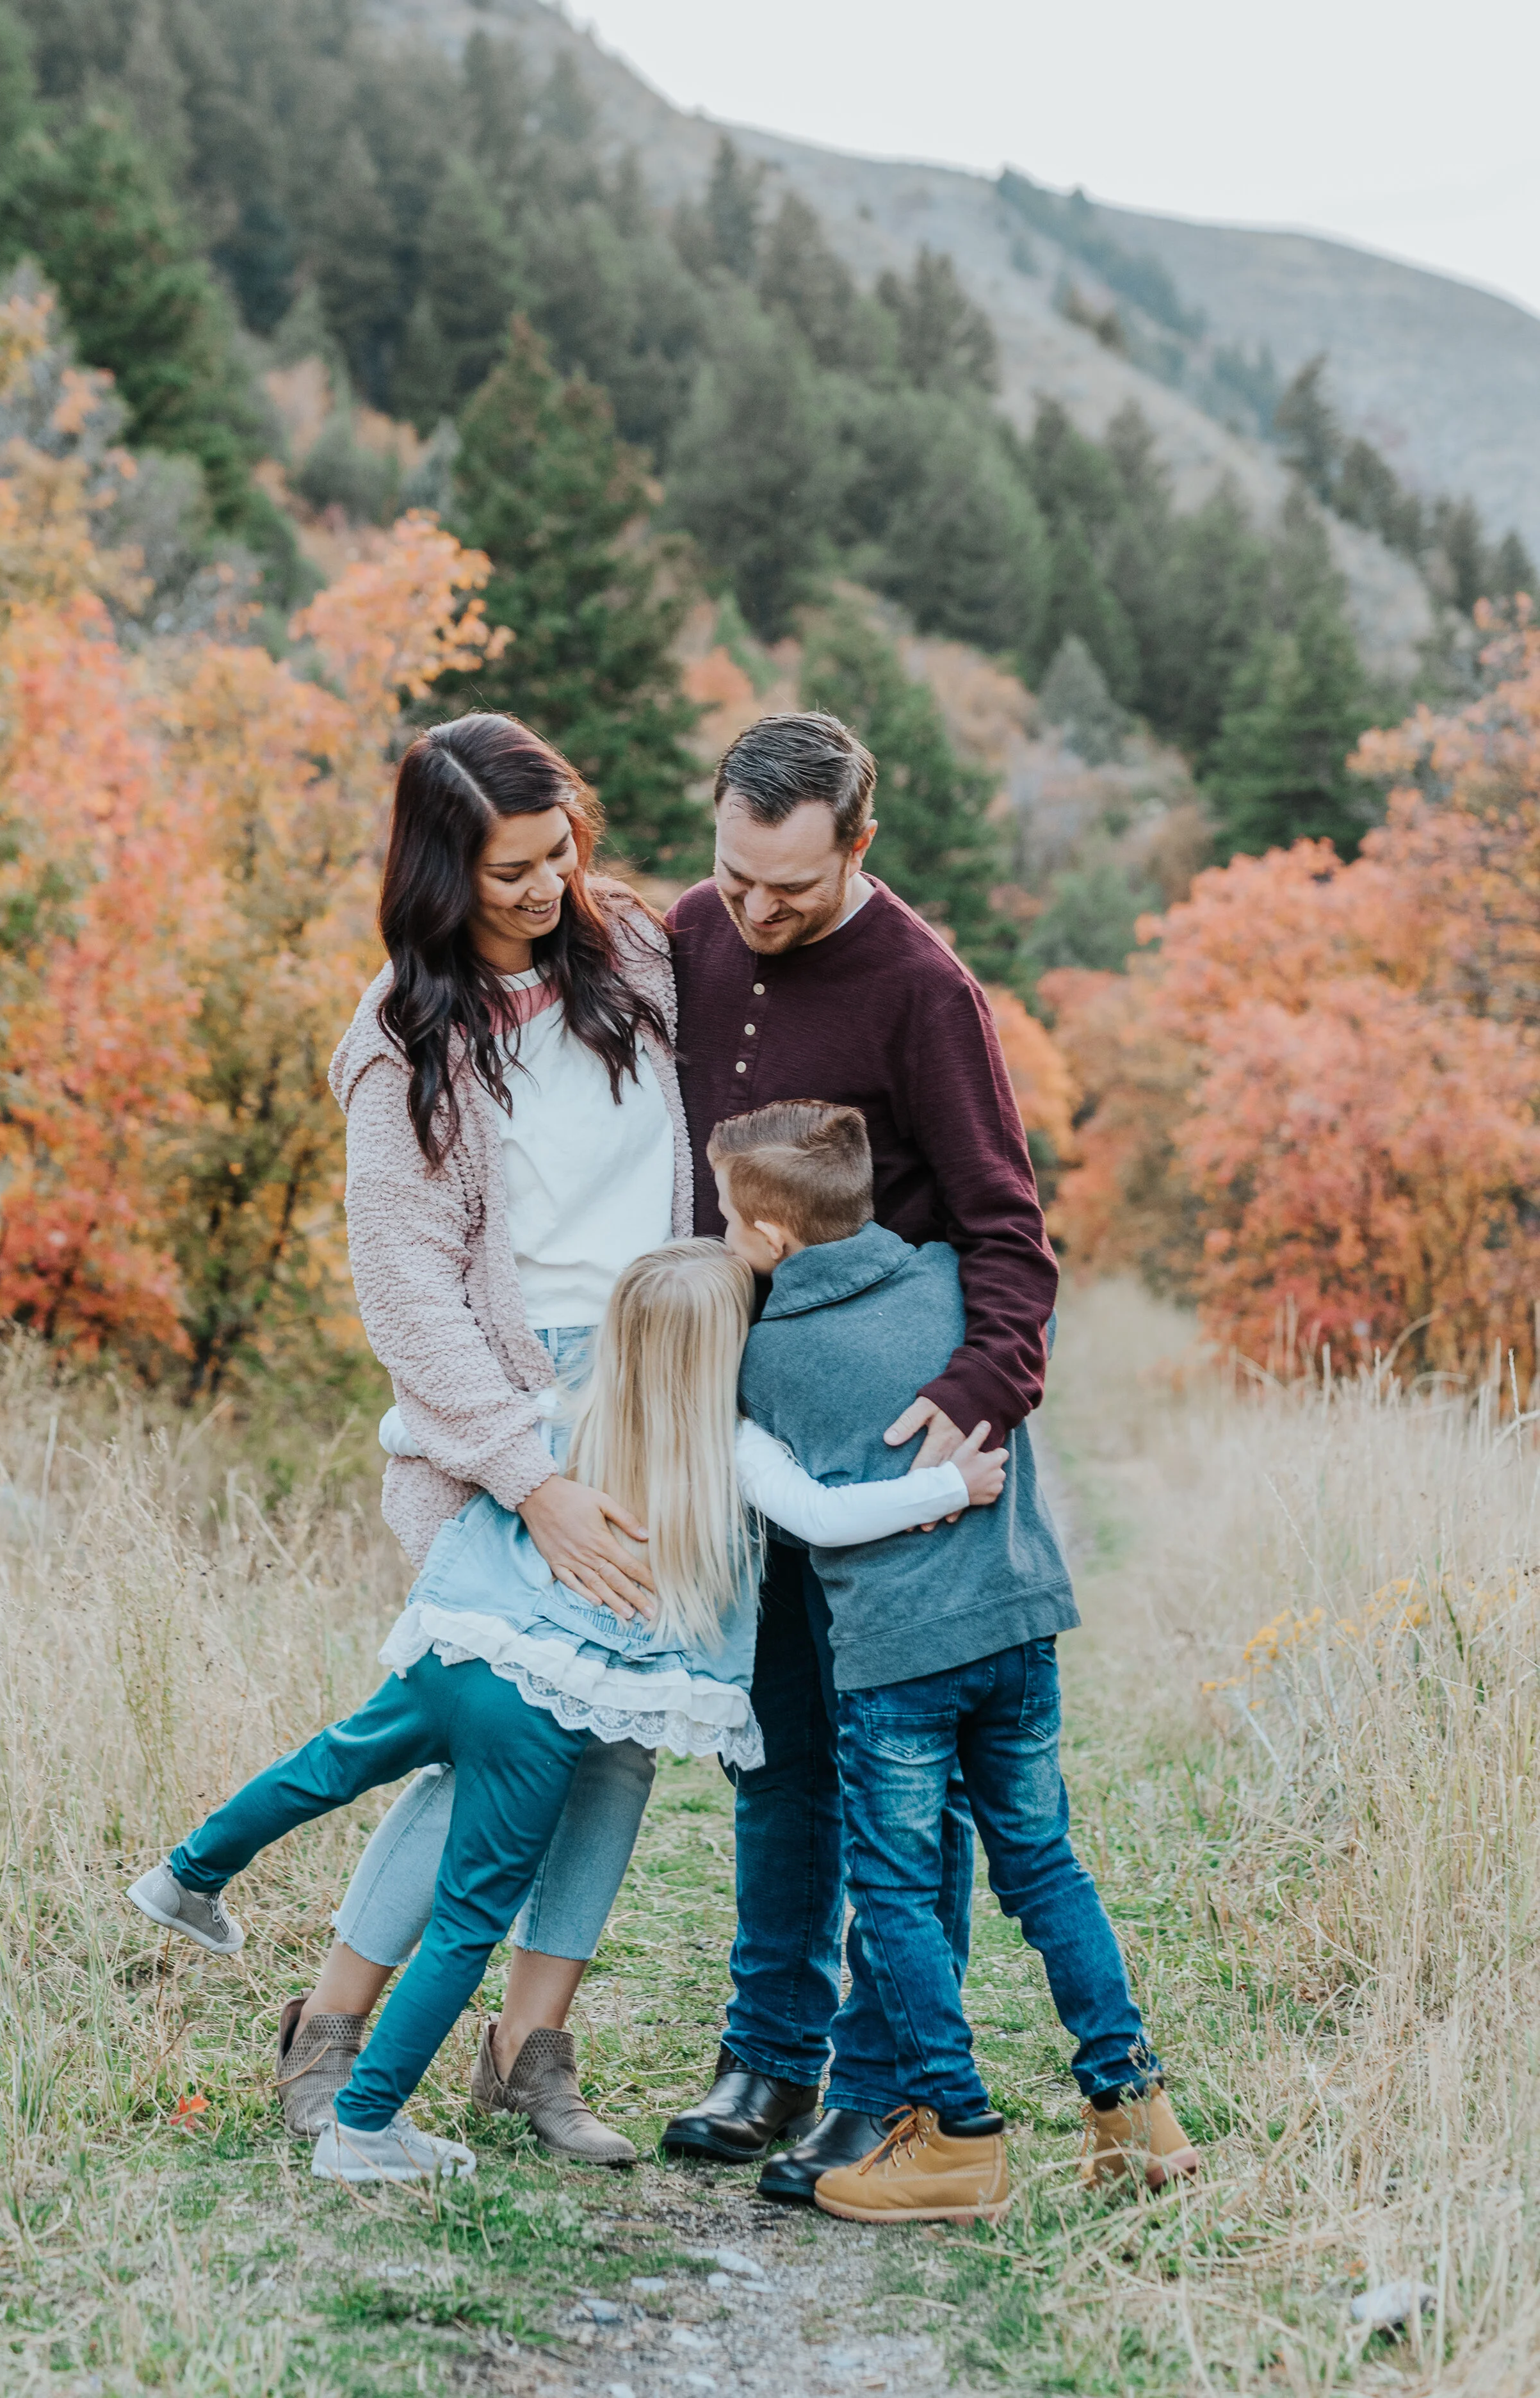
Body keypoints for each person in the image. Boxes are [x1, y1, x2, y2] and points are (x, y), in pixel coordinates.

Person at [126, 1240, 1008, 2183]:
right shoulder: (734, 1448)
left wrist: (411, 1441)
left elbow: (410, 1430)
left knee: (329, 1766)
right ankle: (365, 2126)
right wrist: (952, 1485)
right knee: (468, 1921)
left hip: (453, 1649)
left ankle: (186, 1877)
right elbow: (828, 1517)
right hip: (536, 1712)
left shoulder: (558, 1409)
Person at [270, 709, 687, 2167]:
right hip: (498, 1419)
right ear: (442, 873)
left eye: (557, 852)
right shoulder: (403, 1040)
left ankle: (528, 2056)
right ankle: (328, 2037)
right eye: (509, 869)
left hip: (660, 1396)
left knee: (618, 1739)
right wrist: (535, 1479)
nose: (543, 887)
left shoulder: (635, 957)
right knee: (495, 1733)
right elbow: (408, 1299)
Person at [661, 711, 1064, 2201]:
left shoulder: (922, 990)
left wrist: (983, 1385)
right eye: (734, 878)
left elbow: (1006, 1231)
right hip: (746, 1422)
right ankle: (766, 2053)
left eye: (791, 891)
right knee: (771, 1750)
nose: (754, 916)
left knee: (895, 1773)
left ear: (858, 848)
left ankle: (884, 2084)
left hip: (892, 1441)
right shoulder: (690, 932)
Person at [708, 1101, 1199, 2221]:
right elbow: (1036, 1343)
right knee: (1043, 1867)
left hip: (896, 1664)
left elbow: (790, 1517)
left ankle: (954, 2130)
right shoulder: (957, 1285)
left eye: (732, 1221)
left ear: (775, 1237)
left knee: (896, 1888)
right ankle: (1132, 2109)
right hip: (1019, 1632)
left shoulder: (766, 1357)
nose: (729, 1239)